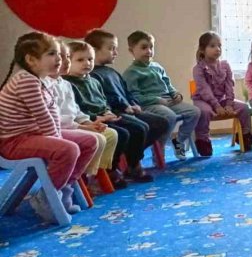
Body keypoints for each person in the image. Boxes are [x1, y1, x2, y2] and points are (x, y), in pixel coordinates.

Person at [0, 32, 97, 221]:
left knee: (89, 141)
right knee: (68, 149)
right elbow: (43, 116)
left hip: (33, 136)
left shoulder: (39, 80)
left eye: (59, 55)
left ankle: (61, 191)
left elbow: (51, 114)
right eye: (52, 54)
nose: (59, 59)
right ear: (31, 59)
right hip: (14, 142)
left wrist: (61, 135)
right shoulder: (25, 80)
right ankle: (47, 198)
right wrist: (59, 140)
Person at [65, 41, 154, 183]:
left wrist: (107, 112)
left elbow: (103, 101)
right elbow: (76, 109)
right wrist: (97, 117)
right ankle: (111, 169)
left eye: (90, 59)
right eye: (80, 60)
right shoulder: (68, 84)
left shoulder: (93, 81)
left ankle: (133, 165)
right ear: (67, 62)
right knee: (122, 134)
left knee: (140, 128)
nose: (86, 63)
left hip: (106, 116)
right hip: (90, 120)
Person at [84, 29, 171, 158]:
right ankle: (132, 160)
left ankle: (131, 154)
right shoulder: (93, 76)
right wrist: (125, 107)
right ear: (94, 50)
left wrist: (133, 104)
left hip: (128, 110)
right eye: (111, 48)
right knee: (139, 128)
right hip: (116, 113)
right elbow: (106, 99)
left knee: (161, 122)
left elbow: (126, 92)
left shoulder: (112, 72)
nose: (115, 52)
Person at [46, 41, 118, 194]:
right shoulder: (46, 85)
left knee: (110, 134)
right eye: (62, 57)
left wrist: (88, 122)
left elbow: (76, 111)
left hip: (74, 125)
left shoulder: (65, 84)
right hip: (60, 129)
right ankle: (83, 177)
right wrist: (85, 127)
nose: (64, 61)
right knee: (96, 139)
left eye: (66, 57)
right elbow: (56, 119)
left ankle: (91, 174)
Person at [123, 31, 205, 155]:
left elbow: (168, 84)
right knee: (169, 116)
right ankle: (159, 149)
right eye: (144, 47)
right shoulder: (131, 73)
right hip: (150, 105)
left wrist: (175, 94)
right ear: (131, 51)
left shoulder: (157, 67)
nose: (149, 51)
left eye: (151, 47)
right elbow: (134, 97)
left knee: (194, 112)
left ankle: (179, 141)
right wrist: (156, 100)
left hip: (168, 101)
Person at [192, 31, 252, 151]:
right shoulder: (198, 69)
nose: (217, 49)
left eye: (219, 45)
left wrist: (229, 104)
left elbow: (229, 85)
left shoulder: (225, 65)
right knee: (204, 112)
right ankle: (202, 140)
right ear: (202, 49)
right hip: (203, 100)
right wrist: (216, 106)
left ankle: (244, 136)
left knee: (244, 108)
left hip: (222, 100)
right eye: (212, 46)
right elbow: (204, 89)